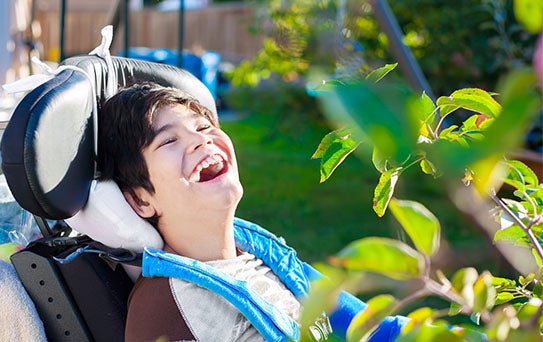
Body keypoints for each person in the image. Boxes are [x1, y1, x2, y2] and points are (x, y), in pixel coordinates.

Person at [98, 82, 407, 341]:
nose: (200, 139)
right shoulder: (164, 306)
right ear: (140, 200)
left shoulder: (261, 253)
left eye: (204, 126)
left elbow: (370, 329)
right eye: (169, 140)